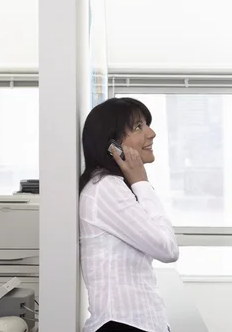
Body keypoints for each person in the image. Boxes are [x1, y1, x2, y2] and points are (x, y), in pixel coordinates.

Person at [79, 97, 179, 332]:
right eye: (138, 127)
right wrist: (141, 182)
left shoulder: (115, 186)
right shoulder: (106, 188)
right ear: (113, 145)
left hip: (136, 323)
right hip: (123, 324)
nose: (151, 133)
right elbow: (167, 249)